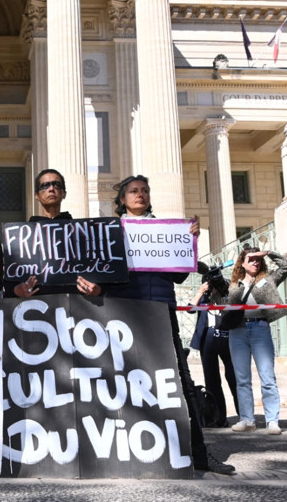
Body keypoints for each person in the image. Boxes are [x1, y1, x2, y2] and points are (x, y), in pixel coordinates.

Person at [105, 174, 234, 475]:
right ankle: (121, 453)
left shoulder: (166, 231)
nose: (140, 195)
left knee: (181, 383)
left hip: (163, 312)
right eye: (134, 191)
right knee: (122, 380)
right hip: (124, 312)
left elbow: (178, 276)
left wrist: (189, 240)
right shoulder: (111, 232)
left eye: (145, 191)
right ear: (122, 199)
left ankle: (199, 454)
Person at [217, 247, 287, 435]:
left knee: (267, 378)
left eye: (258, 260)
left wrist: (268, 253)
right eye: (251, 259)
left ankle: (272, 421)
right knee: (242, 379)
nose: (255, 262)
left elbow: (286, 266)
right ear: (242, 263)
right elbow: (220, 301)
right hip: (238, 332)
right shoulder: (234, 284)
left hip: (260, 329)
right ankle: (247, 420)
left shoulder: (267, 280)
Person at [4, 169, 101, 299]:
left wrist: (98, 289)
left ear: (64, 193)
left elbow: (98, 271)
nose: (51, 189)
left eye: (57, 185)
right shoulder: (22, 236)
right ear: (36, 195)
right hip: (36, 305)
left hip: (75, 305)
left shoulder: (82, 233)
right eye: (45, 185)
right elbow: (11, 279)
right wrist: (16, 291)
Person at [189, 282, 238, 428]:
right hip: (207, 338)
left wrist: (225, 289)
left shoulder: (227, 295)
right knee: (212, 380)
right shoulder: (203, 297)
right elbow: (190, 309)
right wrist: (201, 290)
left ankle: (245, 416)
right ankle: (218, 417)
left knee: (233, 377)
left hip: (227, 336)